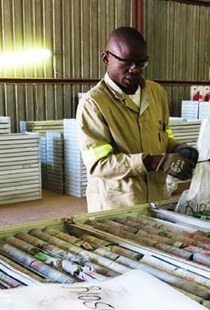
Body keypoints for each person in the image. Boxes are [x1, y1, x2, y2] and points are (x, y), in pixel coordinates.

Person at [77, 26, 198, 212]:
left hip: (158, 200)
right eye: (126, 62)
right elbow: (99, 164)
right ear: (106, 58)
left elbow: (163, 136)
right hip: (118, 206)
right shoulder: (94, 104)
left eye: (141, 64)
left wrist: (178, 148)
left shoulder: (157, 93)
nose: (134, 70)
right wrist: (153, 162)